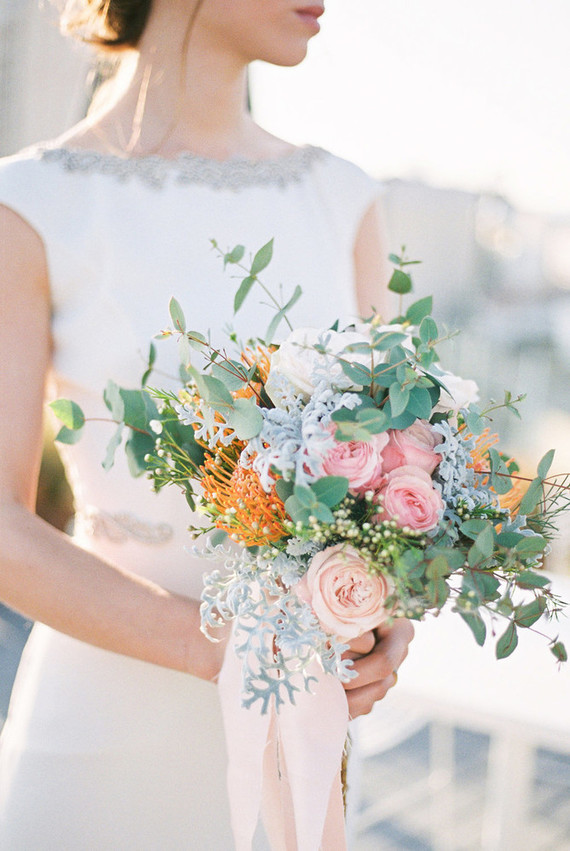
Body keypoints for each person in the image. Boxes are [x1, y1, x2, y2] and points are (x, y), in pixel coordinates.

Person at [0, 0, 414, 847]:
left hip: (303, 743)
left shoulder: (345, 199)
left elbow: (397, 462)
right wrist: (227, 651)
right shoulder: (28, 203)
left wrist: (389, 605)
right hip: (97, 739)